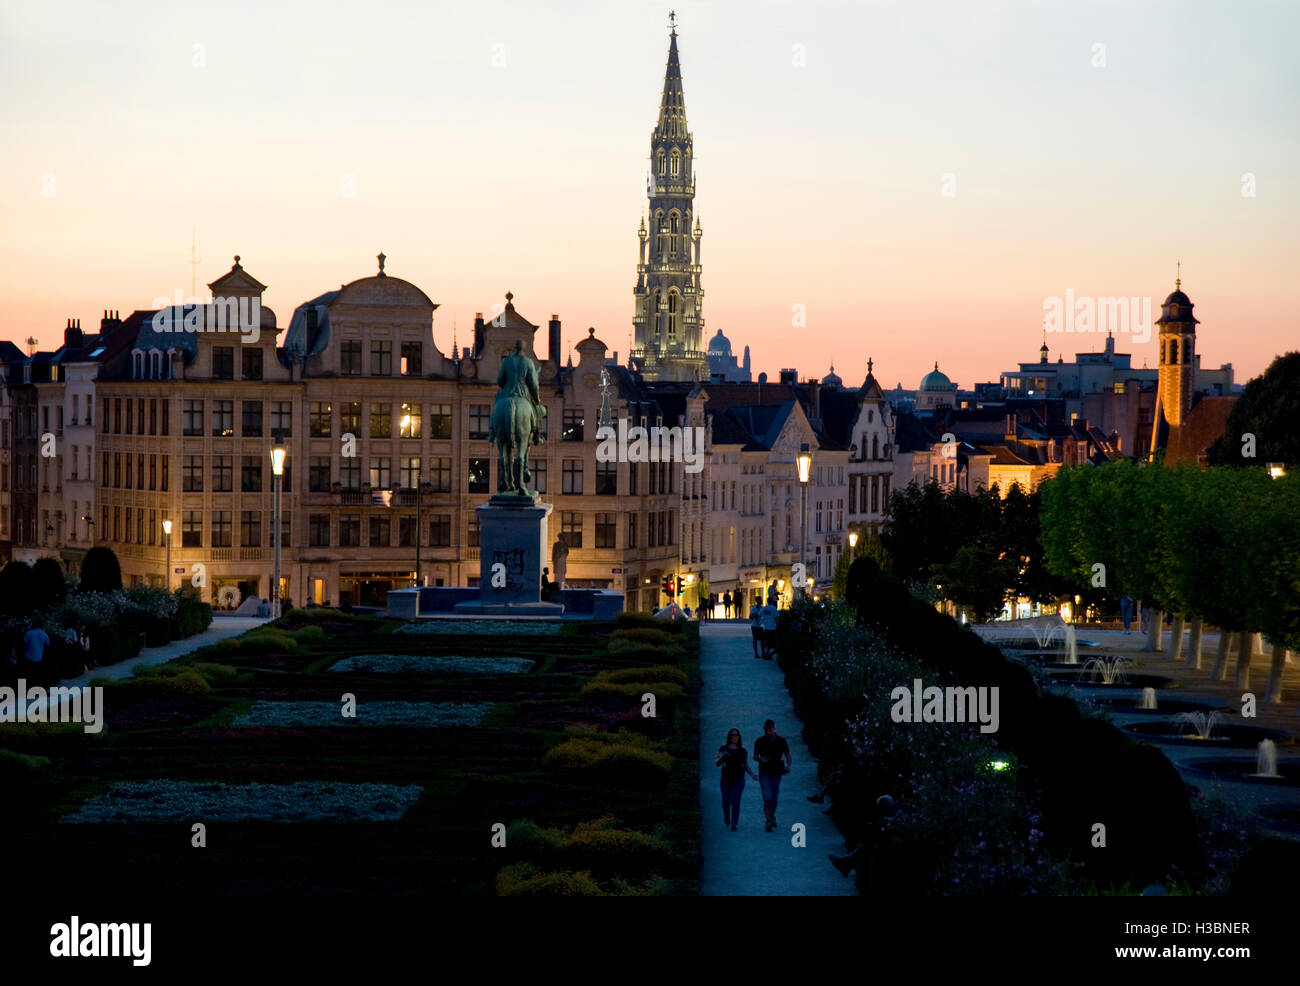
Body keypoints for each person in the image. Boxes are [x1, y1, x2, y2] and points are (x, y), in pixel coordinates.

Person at [716, 728, 758, 831]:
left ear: (739, 737)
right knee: (726, 801)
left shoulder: (742, 751)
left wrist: (752, 774)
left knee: (736, 800)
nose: (734, 737)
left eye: (736, 735)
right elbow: (717, 763)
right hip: (726, 777)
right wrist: (723, 757)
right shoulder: (723, 749)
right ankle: (726, 815)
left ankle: (734, 823)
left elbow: (745, 765)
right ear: (729, 737)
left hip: (738, 778)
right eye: (732, 735)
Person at [753, 719, 792, 832]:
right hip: (764, 771)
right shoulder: (759, 741)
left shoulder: (781, 741)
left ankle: (771, 816)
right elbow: (755, 756)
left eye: (770, 729)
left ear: (774, 728)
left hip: (777, 771)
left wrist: (788, 766)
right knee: (767, 797)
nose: (768, 731)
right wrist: (760, 759)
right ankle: (768, 820)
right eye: (766, 729)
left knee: (774, 798)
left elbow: (788, 755)